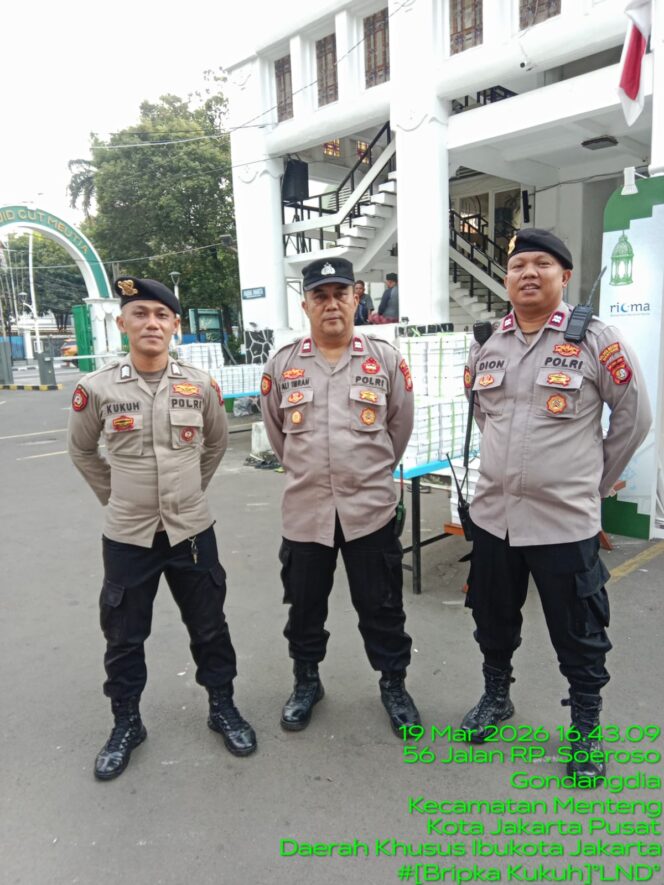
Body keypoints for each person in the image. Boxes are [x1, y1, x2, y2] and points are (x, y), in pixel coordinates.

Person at [460, 229, 651, 782]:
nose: (528, 272)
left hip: (564, 523)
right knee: (492, 618)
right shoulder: (485, 343)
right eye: (518, 263)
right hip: (494, 518)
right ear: (506, 278)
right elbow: (483, 413)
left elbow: (634, 418)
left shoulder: (595, 339)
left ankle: (587, 729)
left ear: (563, 276)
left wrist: (590, 484)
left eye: (542, 263)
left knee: (579, 632)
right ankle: (497, 698)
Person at [68, 276, 256, 781]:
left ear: (175, 324)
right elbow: (83, 451)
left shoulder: (198, 384)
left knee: (210, 625)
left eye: (162, 315)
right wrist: (118, 498)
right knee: (124, 636)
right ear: (122, 322)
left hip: (192, 530)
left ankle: (222, 706)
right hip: (128, 536)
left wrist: (189, 491)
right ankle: (127, 722)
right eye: (141, 314)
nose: (152, 323)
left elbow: (216, 445)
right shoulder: (97, 389)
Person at [260, 257, 420, 736]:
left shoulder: (385, 359)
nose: (331, 304)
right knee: (305, 607)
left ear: (356, 297)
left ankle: (393, 683)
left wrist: (365, 472)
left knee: (382, 607)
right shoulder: (283, 364)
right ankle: (306, 680)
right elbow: (277, 436)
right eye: (320, 295)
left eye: (339, 293)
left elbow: (399, 429)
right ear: (306, 303)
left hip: (369, 512)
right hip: (307, 514)